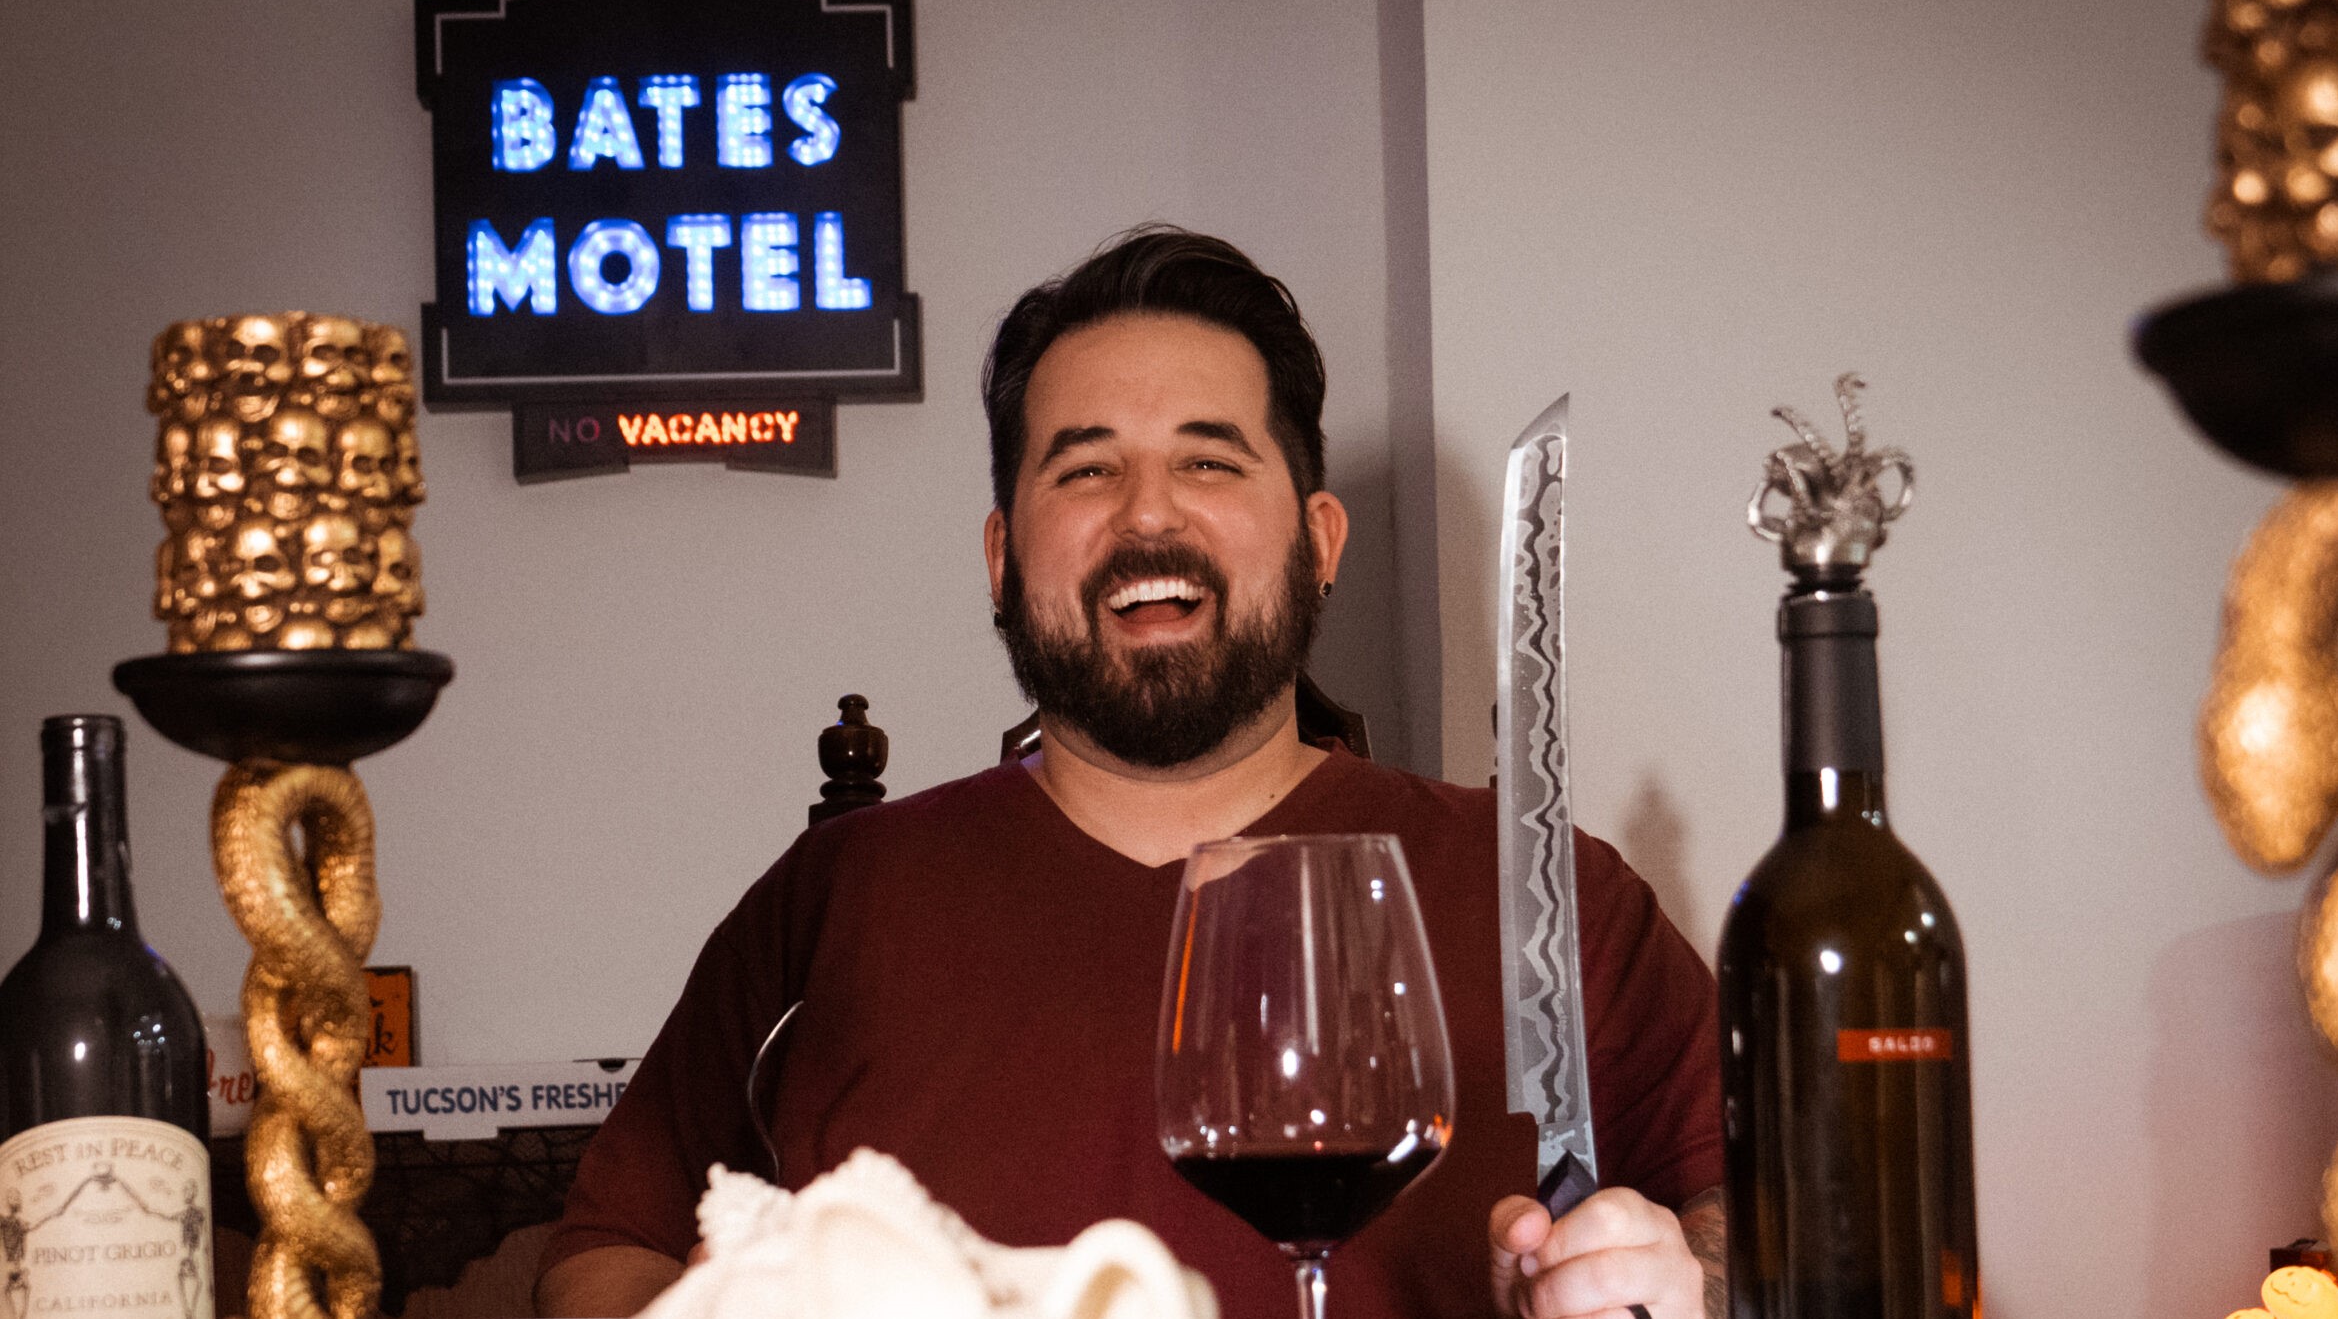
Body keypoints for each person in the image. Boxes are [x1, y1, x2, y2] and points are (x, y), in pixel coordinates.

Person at [535, 228, 1726, 1319]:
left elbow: (1755, 1226)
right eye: (1084, 470)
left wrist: (1685, 1282)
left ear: (1318, 540)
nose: (1147, 514)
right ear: (1003, 558)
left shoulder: (1544, 895)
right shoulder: (836, 894)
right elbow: (603, 1253)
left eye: (1209, 463)